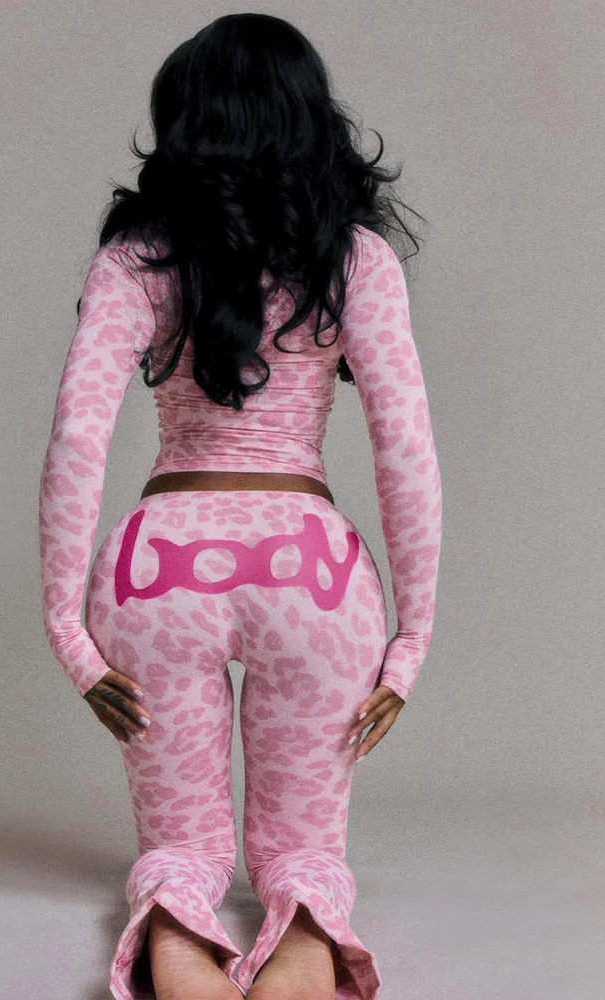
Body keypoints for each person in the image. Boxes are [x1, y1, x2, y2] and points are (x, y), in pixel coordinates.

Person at [38, 12, 442, 1000]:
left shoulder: (136, 259)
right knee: (304, 857)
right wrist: (412, 639)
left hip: (156, 574)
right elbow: (405, 447)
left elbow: (79, 435)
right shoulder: (357, 261)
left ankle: (179, 939)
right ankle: (303, 937)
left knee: (180, 853)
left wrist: (67, 630)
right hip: (314, 577)